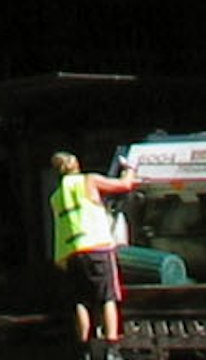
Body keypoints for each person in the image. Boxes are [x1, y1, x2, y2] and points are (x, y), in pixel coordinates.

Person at [49, 149, 131, 347]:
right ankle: (112, 347)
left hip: (71, 254)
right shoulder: (89, 181)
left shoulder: (56, 197)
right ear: (77, 165)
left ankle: (85, 346)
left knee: (81, 300)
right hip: (97, 247)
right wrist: (130, 169)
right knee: (107, 297)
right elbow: (125, 185)